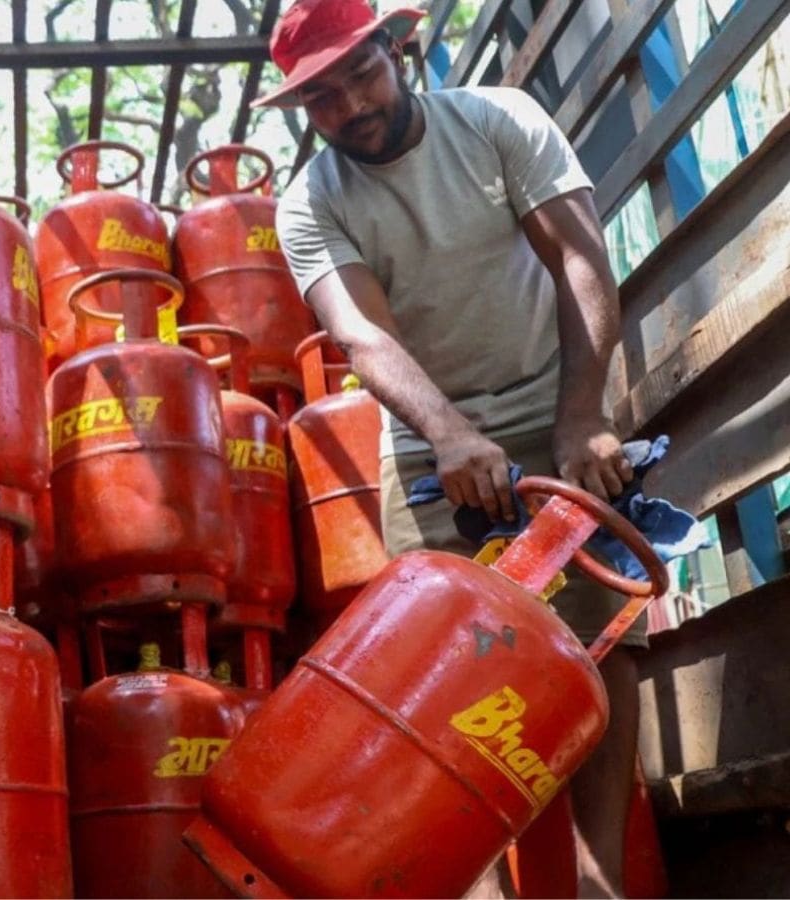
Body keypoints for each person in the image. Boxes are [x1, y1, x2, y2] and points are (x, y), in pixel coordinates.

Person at [259, 0, 642, 896]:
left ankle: (600, 878)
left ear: (401, 49)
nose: (350, 105)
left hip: (556, 397)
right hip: (432, 434)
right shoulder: (309, 203)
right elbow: (364, 337)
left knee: (601, 642)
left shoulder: (499, 122)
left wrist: (582, 414)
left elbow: (583, 260)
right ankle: (472, 884)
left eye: (361, 74)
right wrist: (449, 434)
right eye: (320, 98)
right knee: (433, 667)